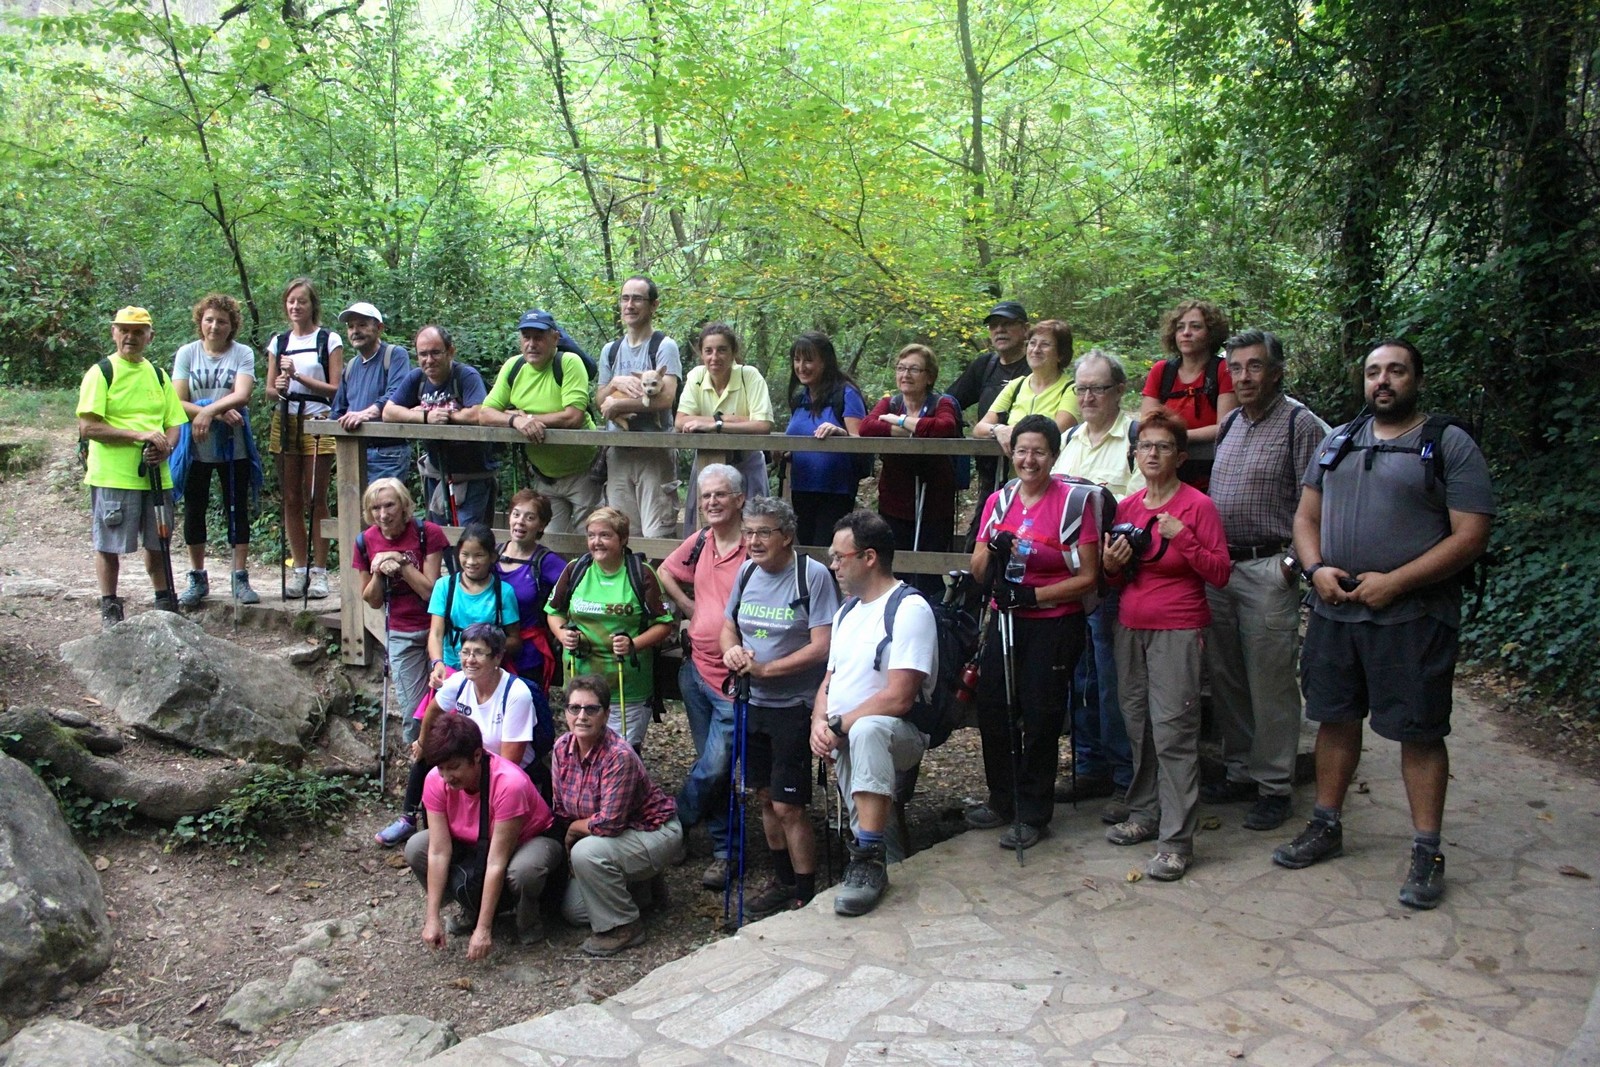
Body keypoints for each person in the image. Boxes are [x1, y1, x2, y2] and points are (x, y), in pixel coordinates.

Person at [1273, 339, 1493, 910]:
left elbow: (1470, 535)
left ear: (1416, 378)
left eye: (1396, 371)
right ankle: (1326, 824)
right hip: (1335, 609)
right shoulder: (1338, 440)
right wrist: (1315, 569)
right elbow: (1305, 517)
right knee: (1335, 718)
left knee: (1419, 730)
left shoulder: (1447, 443)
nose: (1383, 381)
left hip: (1414, 615)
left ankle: (1427, 850)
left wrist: (1397, 582)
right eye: (1374, 372)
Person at [1202, 330, 1329, 832]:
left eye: (1254, 366)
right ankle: (1239, 771)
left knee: (1270, 681)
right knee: (1227, 676)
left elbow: (1319, 503)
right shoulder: (1232, 423)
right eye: (1236, 368)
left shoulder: (1301, 424)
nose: (1244, 377)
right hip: (1221, 567)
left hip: (1269, 567)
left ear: (1276, 372)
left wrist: (1293, 564)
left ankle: (1275, 785)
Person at [1101, 408, 1231, 882]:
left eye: (1163, 447)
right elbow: (1116, 580)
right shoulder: (1128, 507)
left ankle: (1176, 842)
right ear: (1135, 454)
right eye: (1145, 446)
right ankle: (1144, 812)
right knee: (1138, 724)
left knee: (1174, 732)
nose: (1152, 454)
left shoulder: (1198, 506)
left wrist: (1185, 538)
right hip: (1130, 626)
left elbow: (1220, 572)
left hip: (1178, 629)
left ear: (1180, 456)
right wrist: (1111, 567)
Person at [963, 414, 1102, 850]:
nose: (1029, 459)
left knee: (1041, 715)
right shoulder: (1000, 501)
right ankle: (1002, 798)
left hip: (1053, 622)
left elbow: (1089, 577)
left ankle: (1034, 810)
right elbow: (978, 571)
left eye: (1039, 451)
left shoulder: (1072, 504)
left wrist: (1034, 596)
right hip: (1004, 619)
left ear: (1054, 456)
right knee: (994, 708)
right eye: (1022, 450)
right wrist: (994, 550)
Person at [811, 510, 937, 917]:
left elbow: (900, 696)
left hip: (898, 734)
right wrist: (818, 721)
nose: (833, 565)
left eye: (839, 556)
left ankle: (866, 864)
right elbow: (830, 679)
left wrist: (839, 724)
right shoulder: (847, 612)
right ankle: (882, 869)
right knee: (865, 816)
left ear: (869, 557)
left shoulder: (909, 608)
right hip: (845, 734)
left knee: (868, 731)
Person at [721, 496, 840, 915]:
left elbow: (823, 646)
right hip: (753, 701)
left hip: (795, 705)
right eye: (748, 532)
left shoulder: (812, 576)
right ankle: (782, 880)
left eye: (763, 533)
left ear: (787, 536)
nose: (753, 541)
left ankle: (805, 891)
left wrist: (768, 670)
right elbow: (728, 626)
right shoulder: (747, 572)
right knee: (765, 797)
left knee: (789, 804)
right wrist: (732, 651)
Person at [377, 522, 520, 847]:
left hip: (487, 673)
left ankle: (480, 815)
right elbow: (437, 632)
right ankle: (410, 815)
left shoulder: (504, 592)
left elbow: (515, 639)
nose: (471, 562)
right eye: (465, 555)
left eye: (479, 556)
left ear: (492, 557)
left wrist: (487, 646)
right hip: (452, 673)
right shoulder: (446, 586)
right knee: (429, 740)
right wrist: (438, 663)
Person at [1051, 351, 1143, 818]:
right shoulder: (1069, 438)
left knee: (1113, 679)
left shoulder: (1134, 438)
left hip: (1114, 579)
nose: (1087, 397)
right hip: (1069, 578)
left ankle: (1127, 778)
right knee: (1079, 675)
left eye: (1097, 388)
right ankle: (1089, 767)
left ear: (1119, 391)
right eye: (1081, 388)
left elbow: (1141, 505)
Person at [657, 464, 749, 890]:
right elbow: (664, 572)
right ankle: (726, 853)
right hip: (695, 671)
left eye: (720, 494)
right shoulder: (700, 542)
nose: (712, 502)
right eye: (706, 495)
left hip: (734, 681)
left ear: (740, 499)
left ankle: (670, 824)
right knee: (713, 770)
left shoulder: (754, 547)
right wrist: (690, 607)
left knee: (713, 768)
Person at [406, 713, 561, 958]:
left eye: (454, 767)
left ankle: (527, 918)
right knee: (417, 847)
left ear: (477, 756)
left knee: (523, 871)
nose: (447, 777)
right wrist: (432, 917)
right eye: (441, 768)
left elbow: (497, 861)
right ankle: (468, 905)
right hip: (474, 841)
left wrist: (483, 929)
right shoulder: (436, 780)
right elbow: (438, 850)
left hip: (528, 841)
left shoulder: (508, 784)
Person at [551, 674, 684, 956]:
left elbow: (610, 823)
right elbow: (560, 808)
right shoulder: (561, 748)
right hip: (609, 837)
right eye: (575, 708)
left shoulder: (618, 755)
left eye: (591, 709)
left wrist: (574, 831)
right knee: (575, 912)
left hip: (652, 830)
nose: (582, 716)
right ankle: (642, 887)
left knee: (586, 854)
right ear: (566, 713)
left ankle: (625, 927)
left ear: (606, 714)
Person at [77, 306, 187, 626]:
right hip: (113, 476)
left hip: (157, 477)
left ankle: (164, 605)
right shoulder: (101, 373)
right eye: (124, 330)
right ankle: (110, 607)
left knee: (159, 544)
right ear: (114, 333)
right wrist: (139, 435)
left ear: (150, 336)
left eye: (138, 331)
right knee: (108, 545)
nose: (130, 337)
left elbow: (175, 424)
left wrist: (165, 448)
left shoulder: (158, 375)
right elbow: (88, 427)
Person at [546, 508, 675, 750]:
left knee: (622, 753)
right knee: (583, 747)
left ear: (623, 538)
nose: (596, 542)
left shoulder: (641, 574)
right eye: (591, 535)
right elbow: (554, 612)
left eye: (605, 535)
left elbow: (664, 623)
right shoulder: (576, 569)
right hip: (580, 682)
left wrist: (633, 644)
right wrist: (563, 635)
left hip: (627, 684)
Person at [171, 293, 261, 607]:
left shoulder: (242, 353)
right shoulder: (187, 353)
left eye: (222, 321)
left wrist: (208, 411)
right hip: (195, 446)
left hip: (233, 446)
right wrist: (215, 413)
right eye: (209, 320)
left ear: (231, 325)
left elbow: (243, 394)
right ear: (200, 321)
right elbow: (177, 401)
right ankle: (197, 577)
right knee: (194, 509)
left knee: (236, 508)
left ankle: (239, 576)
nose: (214, 326)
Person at [479, 310, 600, 535]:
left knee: (590, 538)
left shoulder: (568, 362)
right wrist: (515, 420)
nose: (532, 344)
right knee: (549, 540)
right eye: (526, 337)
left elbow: (573, 416)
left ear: (555, 338)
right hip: (545, 476)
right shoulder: (514, 367)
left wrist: (529, 419)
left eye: (539, 337)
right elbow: (485, 413)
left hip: (584, 471)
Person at [858, 343, 962, 592]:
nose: (906, 375)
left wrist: (901, 421)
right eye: (901, 368)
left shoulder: (942, 402)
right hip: (895, 499)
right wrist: (905, 429)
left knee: (929, 572)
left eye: (914, 369)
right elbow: (867, 427)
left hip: (934, 501)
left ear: (929, 377)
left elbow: (945, 427)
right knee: (894, 568)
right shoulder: (890, 402)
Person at [352, 476, 449, 741]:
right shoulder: (364, 541)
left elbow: (430, 592)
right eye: (375, 508)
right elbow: (371, 599)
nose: (383, 514)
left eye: (389, 505)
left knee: (447, 705)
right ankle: (417, 761)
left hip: (438, 629)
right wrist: (379, 571)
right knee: (413, 711)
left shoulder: (427, 533)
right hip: (400, 632)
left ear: (404, 504)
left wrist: (401, 562)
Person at [264, 277, 342, 599]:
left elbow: (336, 389)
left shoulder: (329, 339)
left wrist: (299, 377)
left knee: (315, 496)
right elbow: (270, 390)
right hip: (285, 420)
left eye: (302, 301)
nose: (295, 306)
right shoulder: (279, 342)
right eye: (291, 301)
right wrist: (280, 386)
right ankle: (299, 570)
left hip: (319, 419)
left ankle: (319, 571)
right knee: (291, 497)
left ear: (313, 305)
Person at [382, 325, 497, 527]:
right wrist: (425, 416)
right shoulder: (417, 378)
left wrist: (447, 416)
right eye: (423, 354)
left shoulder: (465, 376)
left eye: (435, 352)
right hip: (436, 473)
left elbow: (478, 412)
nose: (429, 360)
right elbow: (388, 412)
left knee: (468, 537)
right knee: (438, 534)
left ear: (450, 351)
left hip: (473, 474)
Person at [595, 276, 684, 537]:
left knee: (657, 534)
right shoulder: (611, 350)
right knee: (621, 533)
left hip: (654, 454)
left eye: (637, 299)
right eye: (625, 298)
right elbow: (599, 399)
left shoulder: (664, 346)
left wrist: (618, 403)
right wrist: (614, 384)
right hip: (618, 454)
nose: (629, 305)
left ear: (653, 305)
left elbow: (666, 398)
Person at [416, 623, 551, 792]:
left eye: (479, 653)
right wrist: (422, 744)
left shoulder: (516, 694)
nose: (470, 660)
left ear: (497, 657)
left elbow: (509, 766)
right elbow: (433, 710)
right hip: (472, 769)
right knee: (430, 766)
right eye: (465, 652)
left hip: (511, 779)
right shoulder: (459, 681)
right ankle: (411, 807)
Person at [949, 301, 1032, 548]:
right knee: (979, 542)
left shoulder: (1035, 367)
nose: (999, 330)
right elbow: (951, 401)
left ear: (1025, 329)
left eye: (1007, 324)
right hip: (988, 474)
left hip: (1028, 472)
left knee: (1020, 542)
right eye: (994, 325)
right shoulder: (985, 366)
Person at [676, 322, 774, 524]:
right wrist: (732, 419)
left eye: (721, 350)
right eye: (708, 351)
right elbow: (681, 420)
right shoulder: (697, 376)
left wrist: (716, 425)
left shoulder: (749, 376)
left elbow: (763, 424)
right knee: (702, 524)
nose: (715, 357)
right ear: (701, 354)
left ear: (733, 352)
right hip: (706, 464)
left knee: (754, 523)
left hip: (746, 463)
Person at [1139, 300, 1238, 489]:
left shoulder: (1223, 371)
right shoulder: (1161, 371)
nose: (1186, 333)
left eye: (1195, 327)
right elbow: (1148, 423)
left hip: (1212, 477)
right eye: (1180, 327)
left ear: (1211, 333)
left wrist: (1178, 436)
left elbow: (1225, 426)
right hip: (1165, 476)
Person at [784, 332, 867, 545]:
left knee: (827, 549)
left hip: (835, 491)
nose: (801, 366)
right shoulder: (800, 399)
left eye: (808, 360)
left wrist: (839, 433)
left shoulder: (846, 393)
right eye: (797, 360)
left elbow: (861, 440)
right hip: (801, 487)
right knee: (807, 548)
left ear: (825, 362)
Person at [331, 301, 413, 486]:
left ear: (379, 328)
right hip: (352, 452)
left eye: (362, 325)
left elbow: (397, 394)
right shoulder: (351, 366)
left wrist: (364, 414)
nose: (355, 331)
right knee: (353, 504)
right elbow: (338, 409)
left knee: (384, 504)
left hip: (387, 453)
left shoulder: (394, 355)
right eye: (351, 326)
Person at [497, 489, 567, 694]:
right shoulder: (492, 554)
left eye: (530, 517)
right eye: (516, 514)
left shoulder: (546, 561)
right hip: (490, 651)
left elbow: (577, 589)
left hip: (529, 656)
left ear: (541, 525)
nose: (520, 522)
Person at [971, 319, 1080, 452]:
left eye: (1045, 344)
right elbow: (979, 428)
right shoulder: (1016, 385)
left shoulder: (1072, 390)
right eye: (1032, 343)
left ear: (1061, 355)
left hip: (1054, 465)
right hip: (1016, 465)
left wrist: (1013, 432)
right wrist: (998, 429)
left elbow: (1056, 432)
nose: (1036, 350)